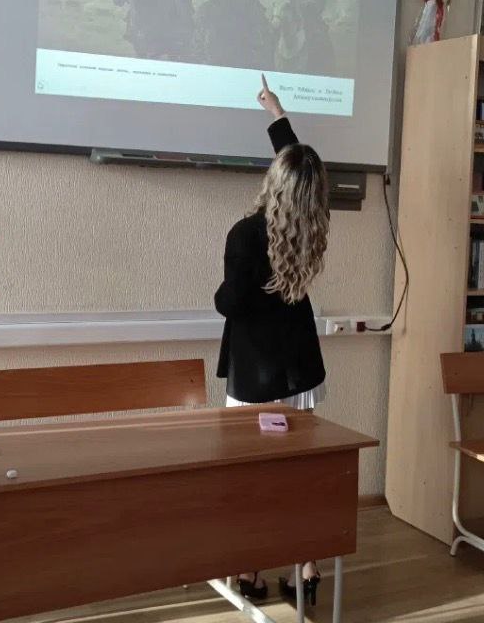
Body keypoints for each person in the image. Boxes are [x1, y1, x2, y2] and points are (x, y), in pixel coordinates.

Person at [214, 76, 330, 606]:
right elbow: (297, 165)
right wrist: (275, 112)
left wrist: (219, 293)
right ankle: (305, 572)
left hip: (256, 377)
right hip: (300, 372)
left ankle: (251, 572)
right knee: (298, 477)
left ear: (273, 184)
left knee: (252, 479)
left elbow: (231, 303)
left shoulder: (245, 235)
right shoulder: (310, 225)